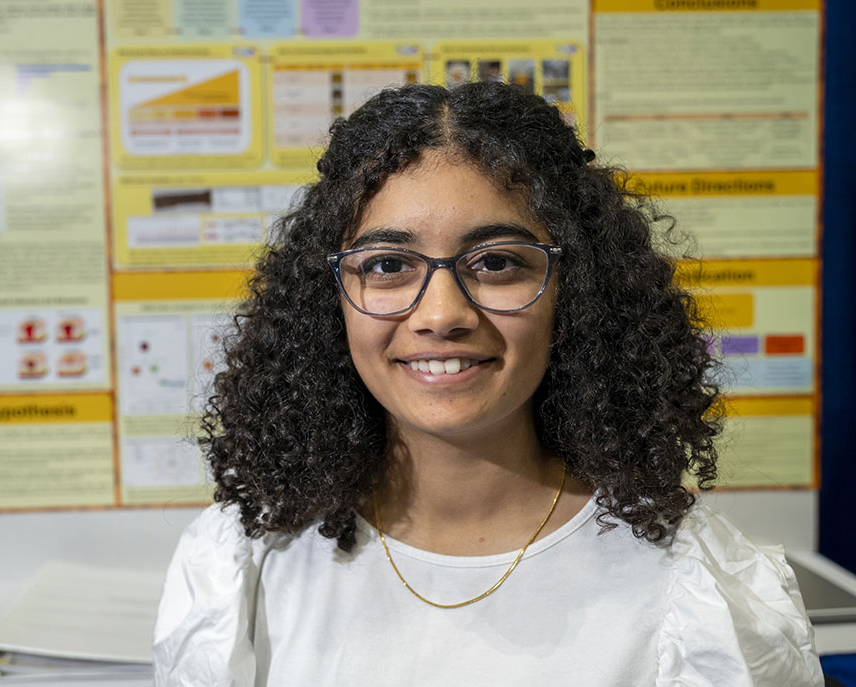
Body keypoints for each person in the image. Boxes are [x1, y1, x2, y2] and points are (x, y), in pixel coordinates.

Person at [153, 82, 824, 686]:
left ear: (577, 292)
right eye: (387, 263)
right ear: (330, 295)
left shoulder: (694, 589)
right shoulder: (244, 566)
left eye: (497, 262)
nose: (442, 314)